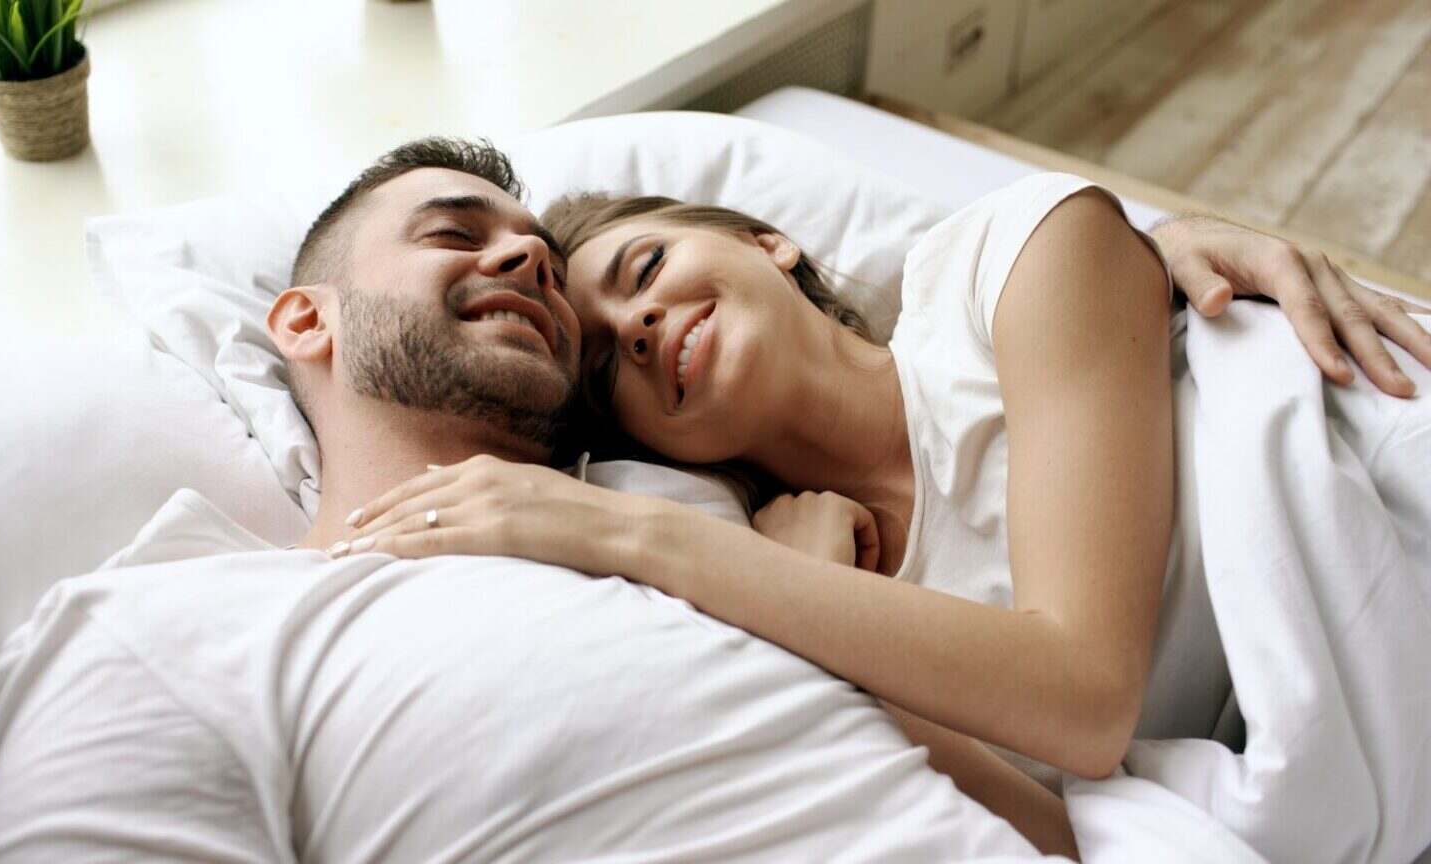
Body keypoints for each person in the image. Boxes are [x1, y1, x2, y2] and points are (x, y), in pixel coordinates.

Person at [0, 138, 1055, 862]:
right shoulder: (174, 635)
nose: (528, 256)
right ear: (304, 322)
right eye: (455, 233)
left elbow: (1048, 830)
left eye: (536, 253)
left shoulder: (700, 533)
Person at [336, 159, 1431, 857]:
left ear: (772, 242)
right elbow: (1056, 832)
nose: (638, 324)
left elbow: (1088, 699)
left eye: (649, 263)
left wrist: (634, 537)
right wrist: (811, 621)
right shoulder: (810, 590)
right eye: (607, 366)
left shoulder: (1010, 264)